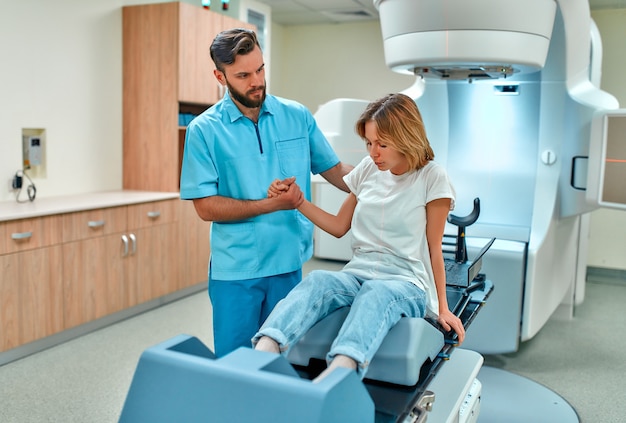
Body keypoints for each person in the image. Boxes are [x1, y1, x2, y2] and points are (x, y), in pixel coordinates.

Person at [253, 93, 465, 381]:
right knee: (318, 280)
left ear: (406, 138)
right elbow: (339, 226)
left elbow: (433, 248)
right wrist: (298, 202)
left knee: (375, 293)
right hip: (358, 273)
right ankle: (261, 355)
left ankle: (338, 376)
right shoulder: (368, 169)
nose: (373, 152)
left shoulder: (431, 177)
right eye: (369, 143)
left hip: (405, 281)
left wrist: (443, 307)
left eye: (382, 144)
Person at [179, 28, 353, 357]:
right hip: (236, 272)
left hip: (288, 263)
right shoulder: (204, 130)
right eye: (243, 75)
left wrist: (395, 179)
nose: (256, 81)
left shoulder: (296, 116)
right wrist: (269, 205)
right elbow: (205, 207)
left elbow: (338, 171)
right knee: (237, 365)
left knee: (287, 363)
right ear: (220, 76)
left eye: (260, 69)